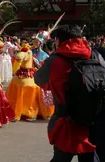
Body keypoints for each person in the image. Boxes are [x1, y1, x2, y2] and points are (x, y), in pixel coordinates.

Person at [34, 25, 99, 162]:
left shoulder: (55, 60)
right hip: (93, 120)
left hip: (66, 122)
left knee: (61, 158)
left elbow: (38, 79)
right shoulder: (95, 54)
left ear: (58, 41)